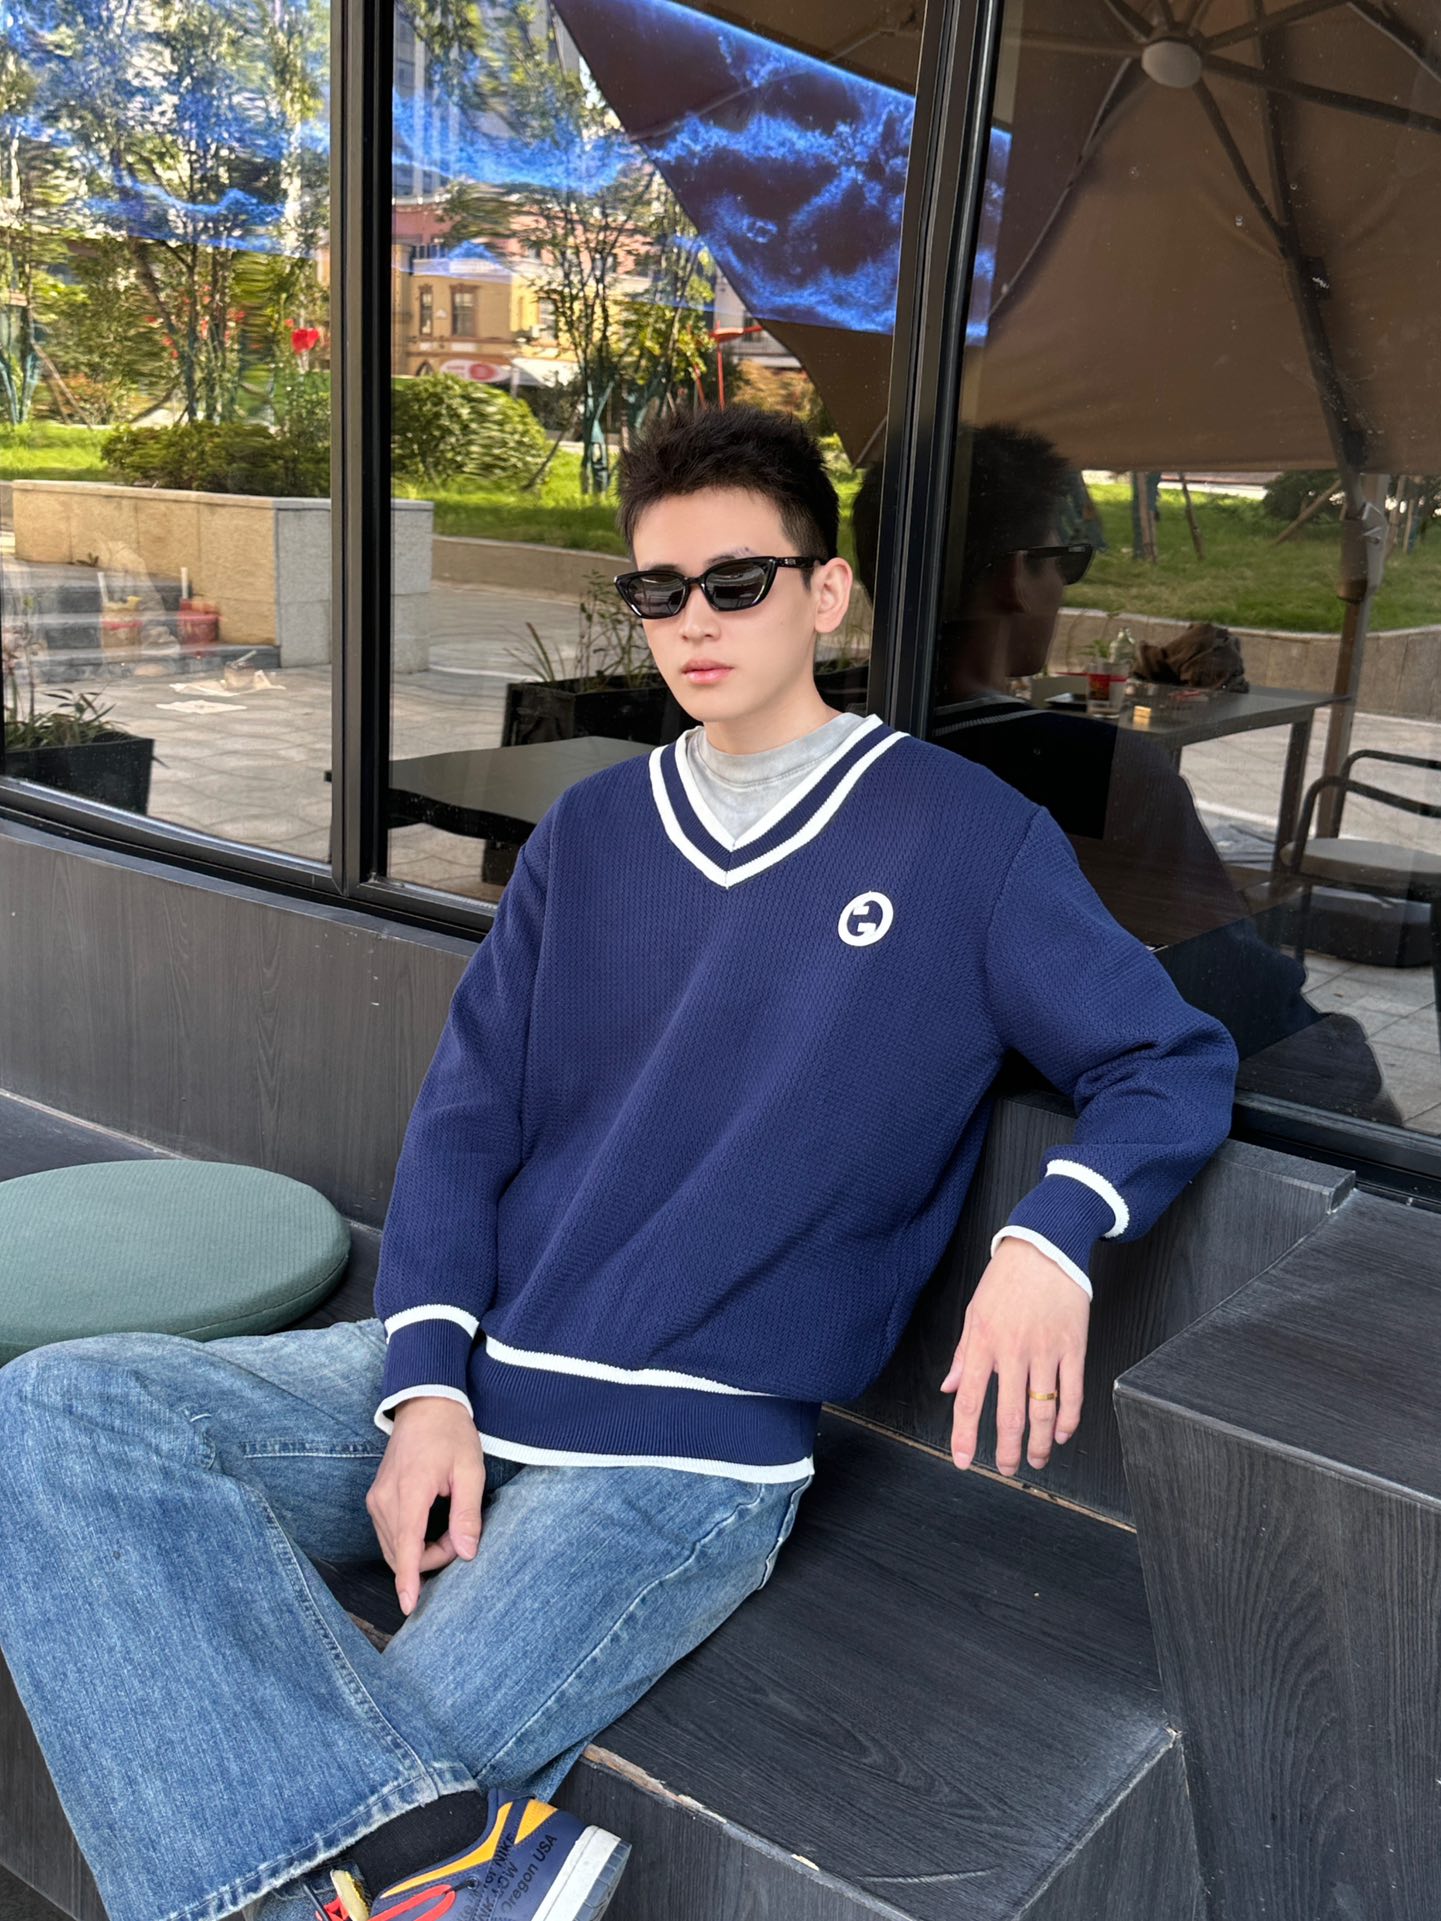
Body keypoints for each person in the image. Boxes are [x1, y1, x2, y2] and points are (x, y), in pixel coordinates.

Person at [0, 405, 1239, 1921]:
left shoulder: (963, 841)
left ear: (826, 594)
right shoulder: (590, 835)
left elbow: (1165, 1056)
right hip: (475, 1372)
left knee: (361, 1820)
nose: (692, 622)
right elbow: (467, 1123)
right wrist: (426, 1390)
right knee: (61, 1411)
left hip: (677, 1460)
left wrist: (1049, 1239)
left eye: (737, 582)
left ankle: (426, 1876)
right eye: (658, 590)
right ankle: (454, 1878)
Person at [851, 427, 1401, 1122]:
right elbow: (1236, 985)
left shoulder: (821, 737)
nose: (1063, 587)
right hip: (1052, 1112)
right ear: (1016, 577)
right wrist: (1357, 1077)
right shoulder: (1101, 772)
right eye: (1066, 561)